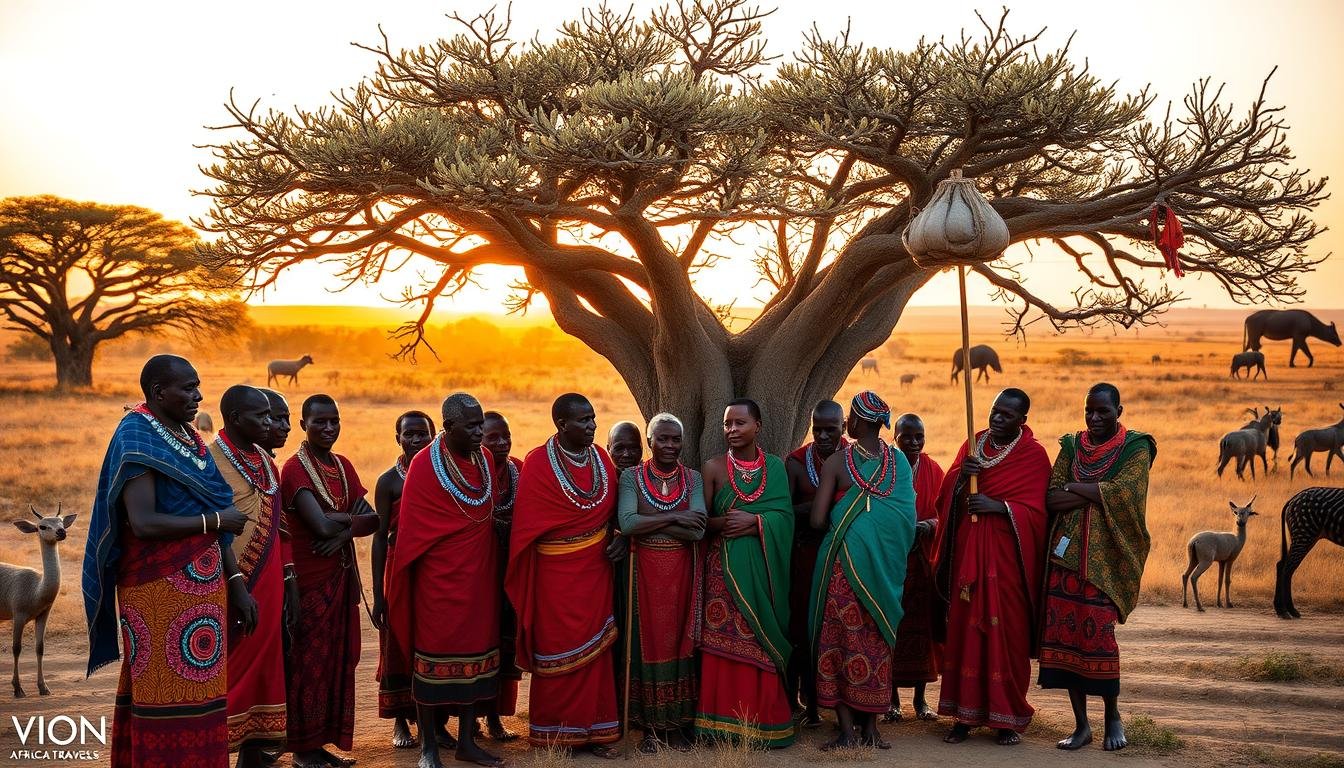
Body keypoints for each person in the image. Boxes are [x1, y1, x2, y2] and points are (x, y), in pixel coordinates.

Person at [84, 355, 248, 767]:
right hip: (159, 593)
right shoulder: (137, 434)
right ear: (159, 393)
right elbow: (143, 522)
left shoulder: (187, 435)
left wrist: (236, 582)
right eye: (188, 388)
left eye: (198, 386)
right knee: (164, 692)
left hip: (204, 595)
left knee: (204, 695)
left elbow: (217, 519)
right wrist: (214, 520)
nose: (199, 396)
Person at [386, 394, 505, 768]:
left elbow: (485, 513)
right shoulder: (425, 465)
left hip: (479, 578)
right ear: (448, 427)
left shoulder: (484, 459)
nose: (479, 432)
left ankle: (467, 741)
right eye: (471, 426)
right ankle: (428, 748)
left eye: (480, 424)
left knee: (478, 659)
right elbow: (412, 534)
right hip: (437, 584)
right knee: (432, 660)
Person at [506, 393, 623, 755]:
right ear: (561, 424)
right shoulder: (539, 463)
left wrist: (619, 535)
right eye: (583, 420)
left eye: (593, 418)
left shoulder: (602, 459)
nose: (592, 426)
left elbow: (614, 509)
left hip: (596, 571)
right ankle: (556, 735)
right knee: (557, 650)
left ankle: (597, 732)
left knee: (597, 651)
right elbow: (525, 529)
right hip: (554, 578)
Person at [934, 388, 1050, 746]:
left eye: (1007, 415)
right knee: (964, 631)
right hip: (969, 556)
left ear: (1022, 421)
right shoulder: (972, 444)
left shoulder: (1033, 455)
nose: (997, 419)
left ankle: (1007, 719)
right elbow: (944, 496)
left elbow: (1039, 513)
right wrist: (960, 480)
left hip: (1007, 563)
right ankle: (963, 717)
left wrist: (999, 506)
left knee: (1007, 634)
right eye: (994, 411)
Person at [1041, 383, 1155, 752]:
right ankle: (1081, 726)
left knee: (1100, 640)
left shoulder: (1136, 448)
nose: (1093, 418)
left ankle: (1113, 717)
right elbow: (1052, 497)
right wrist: (1095, 490)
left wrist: (1076, 486)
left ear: (1118, 411)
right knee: (1065, 640)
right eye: (1088, 410)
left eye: (1103, 411)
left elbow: (1126, 494)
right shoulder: (1071, 446)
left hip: (1107, 563)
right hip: (1065, 561)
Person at [808, 392, 916, 750]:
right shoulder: (899, 462)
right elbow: (906, 521)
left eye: (849, 419)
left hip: (843, 568)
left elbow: (818, 519)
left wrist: (849, 523)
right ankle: (871, 729)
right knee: (876, 642)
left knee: (838, 642)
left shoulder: (837, 463)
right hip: (887, 571)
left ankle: (846, 732)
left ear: (855, 422)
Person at [279, 394, 379, 768]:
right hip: (308, 583)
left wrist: (340, 532)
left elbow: (374, 520)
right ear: (303, 424)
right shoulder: (295, 469)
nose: (328, 428)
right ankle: (303, 751)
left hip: (338, 575)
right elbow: (318, 525)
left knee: (337, 662)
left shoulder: (342, 465)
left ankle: (319, 744)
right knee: (308, 665)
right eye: (319, 421)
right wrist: (346, 523)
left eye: (334, 421)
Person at [695, 398, 796, 748]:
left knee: (759, 643)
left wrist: (756, 523)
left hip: (763, 573)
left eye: (740, 423)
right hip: (722, 572)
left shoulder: (776, 468)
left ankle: (764, 723)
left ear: (758, 426)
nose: (732, 430)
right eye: (727, 424)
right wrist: (726, 522)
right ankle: (718, 725)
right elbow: (701, 523)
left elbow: (786, 518)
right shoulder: (712, 467)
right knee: (721, 644)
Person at [616, 413, 707, 753]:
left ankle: (678, 726)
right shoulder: (631, 478)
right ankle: (650, 728)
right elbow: (626, 523)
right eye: (662, 439)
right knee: (646, 644)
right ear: (650, 441)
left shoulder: (693, 479)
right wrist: (676, 516)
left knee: (679, 642)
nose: (669, 445)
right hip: (643, 576)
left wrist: (650, 520)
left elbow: (697, 530)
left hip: (681, 575)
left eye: (675, 439)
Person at [208, 385, 287, 768]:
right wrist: (236, 585)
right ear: (236, 418)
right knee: (231, 660)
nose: (271, 424)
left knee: (266, 658)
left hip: (270, 575)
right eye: (262, 417)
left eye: (271, 416)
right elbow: (214, 532)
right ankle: (217, 748)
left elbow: (278, 525)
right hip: (231, 579)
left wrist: (288, 580)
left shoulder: (265, 462)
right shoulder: (210, 460)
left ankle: (253, 752)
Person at [371, 410, 437, 749]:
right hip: (398, 569)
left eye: (422, 434)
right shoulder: (389, 481)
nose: (415, 440)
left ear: (434, 434)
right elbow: (380, 537)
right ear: (397, 438)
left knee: (431, 643)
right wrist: (379, 598)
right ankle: (400, 722)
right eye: (408, 434)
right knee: (396, 642)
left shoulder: (442, 474)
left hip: (433, 570)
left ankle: (435, 725)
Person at [784, 400, 846, 727]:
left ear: (844, 428)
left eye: (830, 430)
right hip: (805, 559)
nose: (822, 436)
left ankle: (829, 700)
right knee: (802, 630)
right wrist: (819, 508)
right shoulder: (796, 463)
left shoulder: (854, 459)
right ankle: (798, 701)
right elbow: (784, 514)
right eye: (817, 429)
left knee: (834, 630)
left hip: (843, 559)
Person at [885, 413, 946, 722]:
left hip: (923, 563)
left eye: (919, 436)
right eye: (906, 436)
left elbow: (945, 512)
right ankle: (892, 700)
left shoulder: (934, 470)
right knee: (891, 630)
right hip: (892, 563)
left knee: (922, 633)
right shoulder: (886, 470)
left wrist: (929, 524)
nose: (914, 442)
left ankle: (921, 701)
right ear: (894, 438)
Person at [481, 411, 523, 741]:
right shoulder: (471, 473)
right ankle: (470, 718)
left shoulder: (518, 470)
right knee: (479, 643)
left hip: (510, 569)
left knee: (506, 644)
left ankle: (496, 718)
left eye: (505, 435)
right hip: (477, 573)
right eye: (492, 437)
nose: (502, 442)